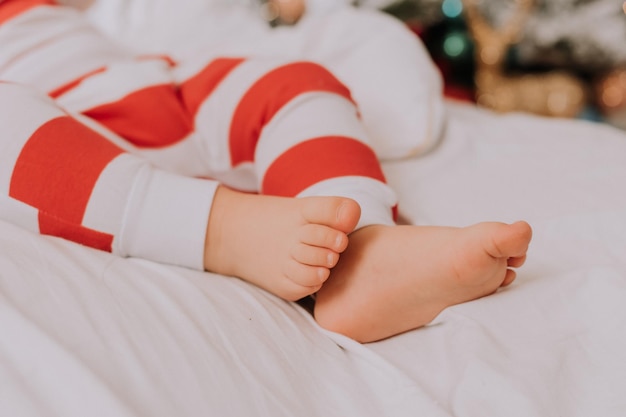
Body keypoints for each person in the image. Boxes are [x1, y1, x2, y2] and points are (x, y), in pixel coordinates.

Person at [0, 0, 532, 343]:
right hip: (67, 137)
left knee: (295, 84)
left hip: (163, 89)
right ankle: (224, 229)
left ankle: (365, 252)